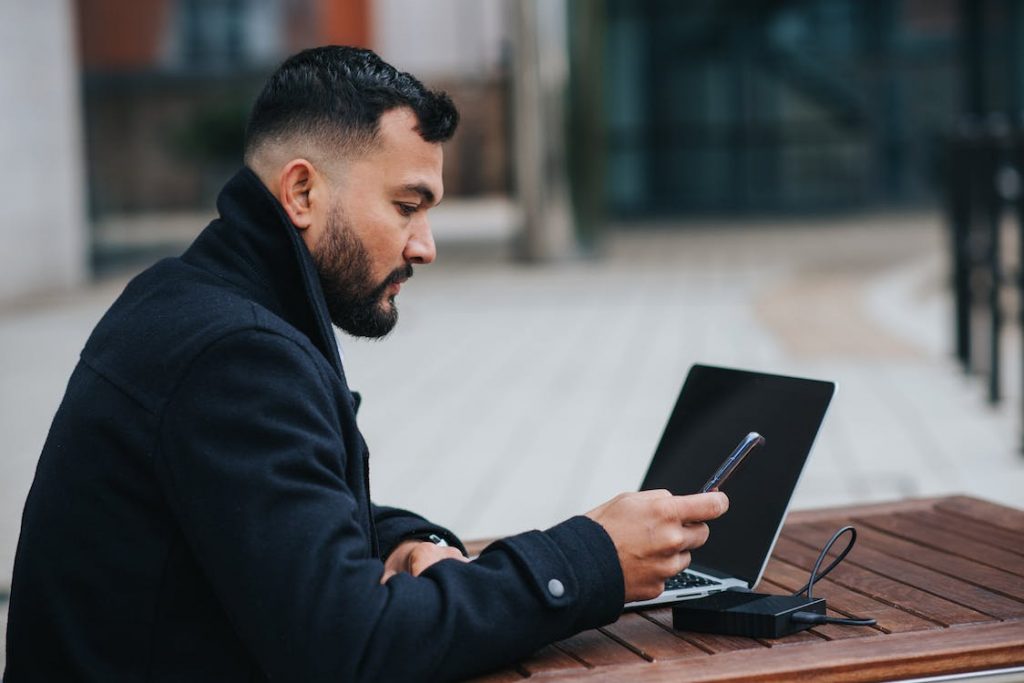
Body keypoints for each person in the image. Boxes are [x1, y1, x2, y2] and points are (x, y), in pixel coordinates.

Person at [3, 46, 727, 682]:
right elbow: (351, 649)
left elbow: (280, 506)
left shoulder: (189, 297)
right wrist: (592, 559)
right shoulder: (234, 354)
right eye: (407, 205)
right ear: (302, 192)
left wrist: (415, 541)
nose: (426, 245)